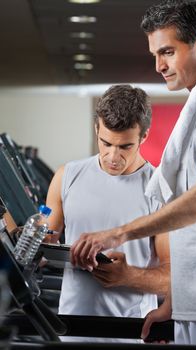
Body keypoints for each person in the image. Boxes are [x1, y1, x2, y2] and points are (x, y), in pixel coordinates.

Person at [70, 1, 196, 349]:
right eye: (155, 54)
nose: (159, 65)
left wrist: (118, 234)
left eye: (168, 52)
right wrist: (174, 304)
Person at [46, 85, 170, 327]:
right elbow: (45, 245)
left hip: (128, 332)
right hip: (71, 327)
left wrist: (128, 276)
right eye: (106, 143)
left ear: (143, 137)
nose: (113, 156)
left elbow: (173, 279)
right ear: (96, 129)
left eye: (125, 147)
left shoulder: (161, 192)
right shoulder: (66, 176)